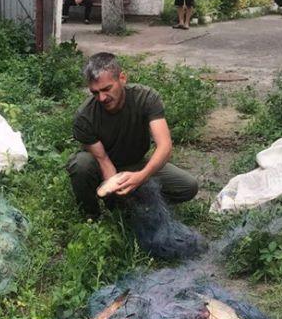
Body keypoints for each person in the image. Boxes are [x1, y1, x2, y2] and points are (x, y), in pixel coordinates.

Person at [66, 52, 198, 218]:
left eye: (107, 89)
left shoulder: (146, 98)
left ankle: (144, 200)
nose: (101, 98)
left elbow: (165, 147)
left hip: (137, 165)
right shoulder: (85, 116)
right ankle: (92, 216)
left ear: (122, 78)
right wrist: (115, 192)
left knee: (188, 186)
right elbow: (103, 161)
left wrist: (141, 176)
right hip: (103, 168)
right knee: (81, 164)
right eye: (95, 92)